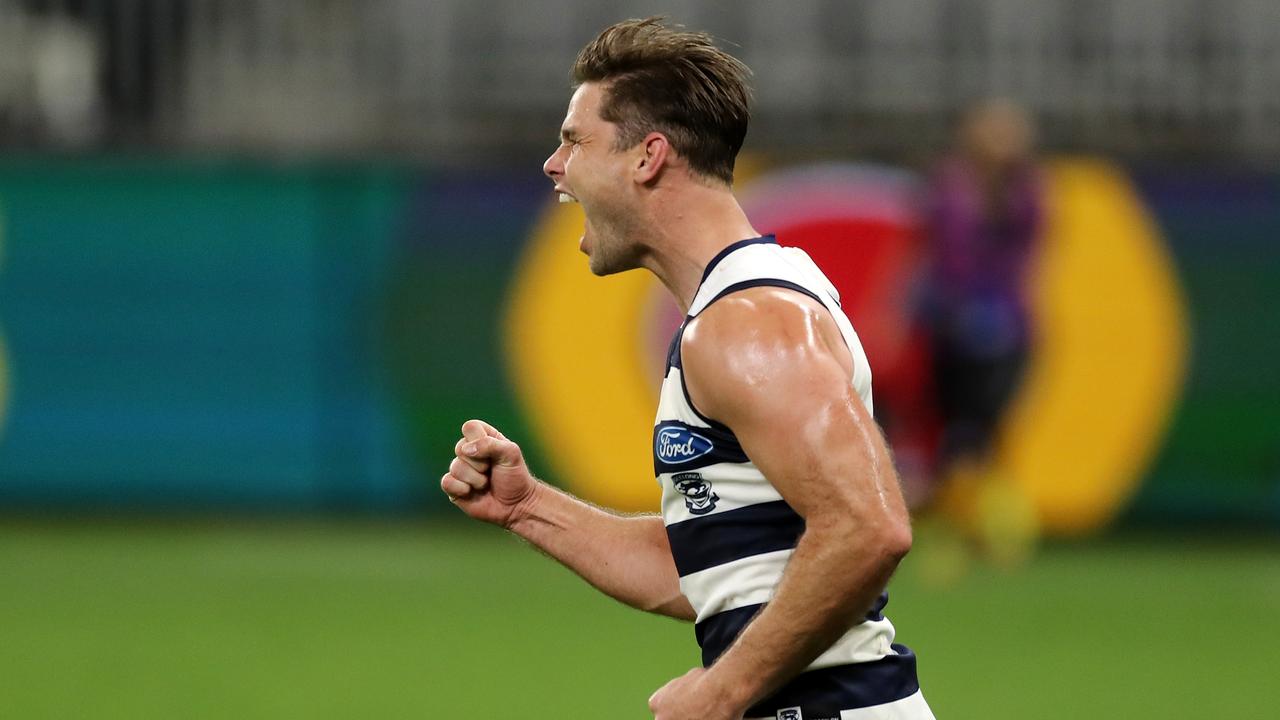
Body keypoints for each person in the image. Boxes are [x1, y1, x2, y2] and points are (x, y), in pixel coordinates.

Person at [441, 18, 933, 720]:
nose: (554, 165)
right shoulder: (744, 302)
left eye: (574, 140)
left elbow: (870, 528)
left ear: (648, 157)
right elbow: (711, 574)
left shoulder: (747, 321)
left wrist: (722, 690)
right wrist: (529, 508)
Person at [919, 99, 1043, 565]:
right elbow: (931, 253)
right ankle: (960, 530)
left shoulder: (1024, 194)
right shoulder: (950, 188)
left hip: (1005, 325)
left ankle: (993, 531)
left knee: (986, 431)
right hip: (952, 325)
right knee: (955, 433)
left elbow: (1027, 256)